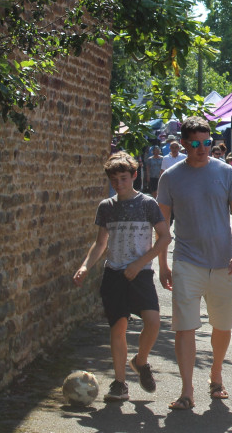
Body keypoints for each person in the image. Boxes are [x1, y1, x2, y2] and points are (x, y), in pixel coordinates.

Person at [156, 116, 232, 411]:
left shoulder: (226, 173)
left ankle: (216, 374)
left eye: (207, 143)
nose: (202, 149)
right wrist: (163, 264)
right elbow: (162, 224)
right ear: (183, 144)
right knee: (184, 327)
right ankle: (186, 391)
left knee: (222, 326)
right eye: (195, 143)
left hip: (224, 262)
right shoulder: (170, 177)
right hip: (186, 260)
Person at [73, 152, 171, 402]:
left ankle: (140, 361)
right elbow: (100, 243)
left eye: (124, 178)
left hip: (140, 274)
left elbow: (164, 237)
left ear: (134, 176)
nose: (119, 184)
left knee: (153, 322)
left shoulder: (147, 203)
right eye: (114, 180)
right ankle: (119, 384)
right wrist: (85, 266)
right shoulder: (106, 207)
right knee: (118, 327)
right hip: (114, 274)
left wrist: (140, 264)